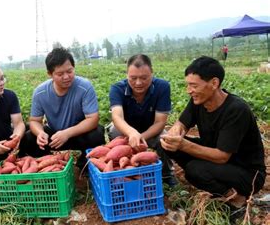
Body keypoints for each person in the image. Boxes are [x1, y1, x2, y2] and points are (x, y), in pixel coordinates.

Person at [160, 56, 266, 208]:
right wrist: (176, 131)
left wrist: (183, 145)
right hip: (218, 159)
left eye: (194, 86)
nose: (189, 91)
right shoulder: (199, 100)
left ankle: (235, 198)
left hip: (247, 174)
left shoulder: (236, 110)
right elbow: (182, 123)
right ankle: (213, 183)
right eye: (188, 85)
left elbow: (222, 156)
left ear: (214, 83)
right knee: (166, 144)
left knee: (194, 170)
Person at [21, 47, 105, 164]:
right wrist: (40, 133)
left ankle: (85, 164)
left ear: (74, 68)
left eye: (69, 71)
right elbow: (35, 121)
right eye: (60, 74)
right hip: (54, 135)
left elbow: (93, 119)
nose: (66, 77)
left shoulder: (84, 87)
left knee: (97, 135)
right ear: (50, 74)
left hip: (78, 133)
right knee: (29, 138)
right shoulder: (40, 92)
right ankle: (46, 164)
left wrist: (67, 133)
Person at [108, 54, 177, 186]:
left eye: (144, 78)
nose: (138, 83)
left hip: (151, 129)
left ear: (152, 73)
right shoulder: (117, 89)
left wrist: (140, 138)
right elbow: (117, 117)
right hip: (126, 131)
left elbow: (160, 122)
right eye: (133, 78)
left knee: (166, 139)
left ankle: (167, 173)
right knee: (113, 130)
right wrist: (131, 134)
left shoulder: (162, 87)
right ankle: (122, 170)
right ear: (126, 74)